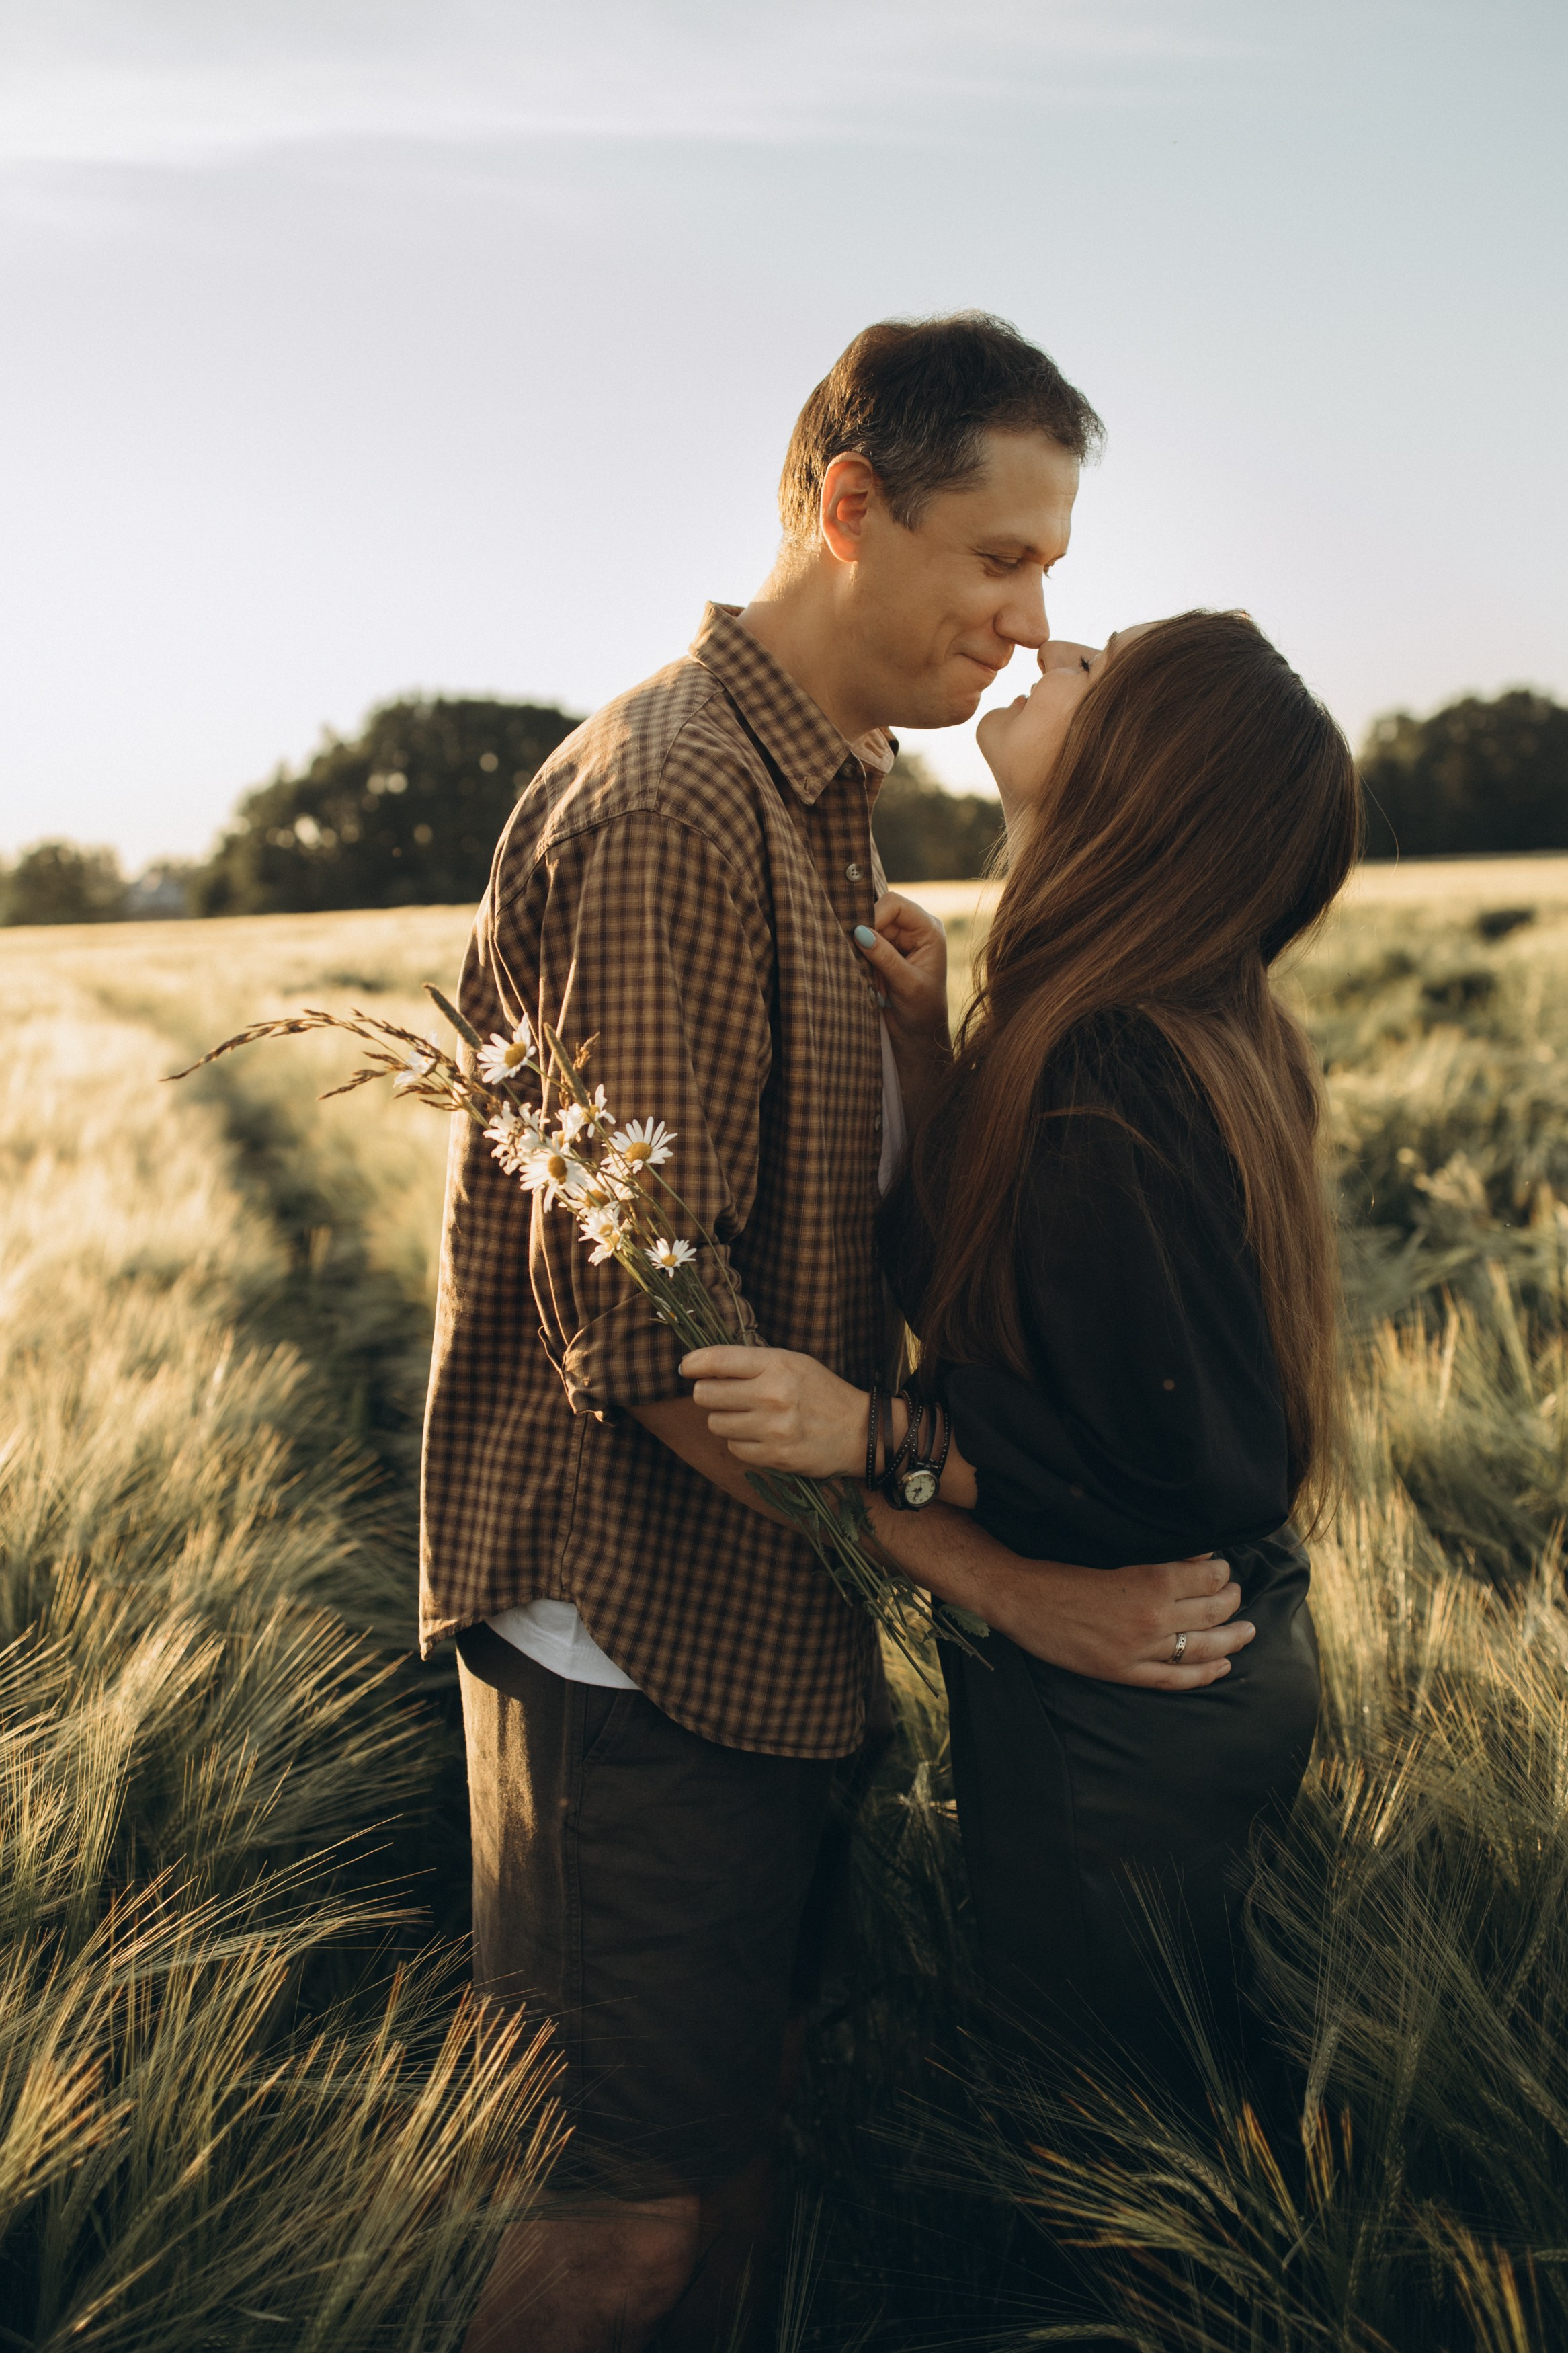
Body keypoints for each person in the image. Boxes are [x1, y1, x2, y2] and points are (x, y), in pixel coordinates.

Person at [421, 318, 1256, 2353]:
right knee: (618, 2214)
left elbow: (819, 1254)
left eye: (1049, 571)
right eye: (997, 559)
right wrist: (997, 1585)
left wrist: (912, 1045)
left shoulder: (819, 802)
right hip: (636, 1633)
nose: (1025, 622)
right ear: (844, 504)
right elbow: (644, 1327)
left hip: (762, 1608)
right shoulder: (672, 808)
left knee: (731, 2162)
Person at [684, 608, 1361, 2086]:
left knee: (1113, 2152)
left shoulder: (1112, 1060)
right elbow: (1006, 1302)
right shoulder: (1139, 1020)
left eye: (1100, 669)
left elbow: (1166, 1457)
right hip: (1186, 1658)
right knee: (1175, 2109)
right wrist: (932, 1059)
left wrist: (874, 1434)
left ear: (1144, 774)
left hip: (1139, 1681)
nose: (1051, 649)